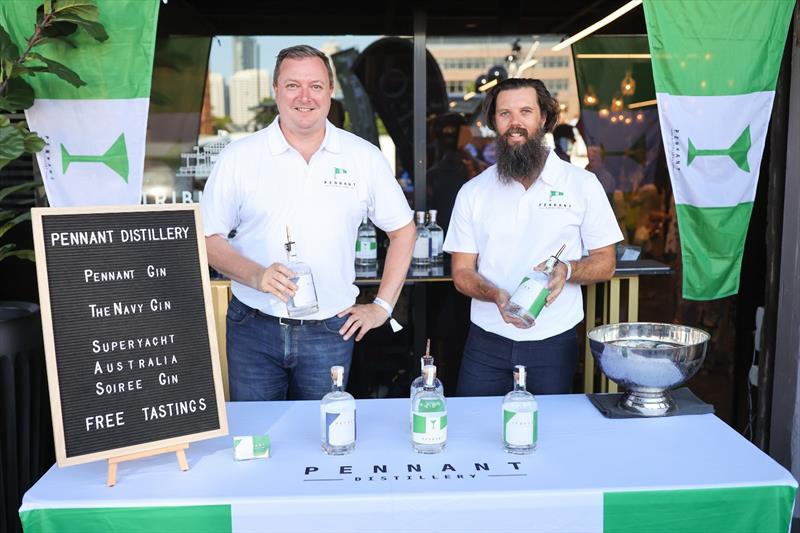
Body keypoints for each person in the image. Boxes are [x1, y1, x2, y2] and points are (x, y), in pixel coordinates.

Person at [201, 45, 415, 401]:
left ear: (330, 91)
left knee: (325, 436)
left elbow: (404, 231)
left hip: (331, 329)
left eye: (315, 86)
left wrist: (382, 307)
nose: (305, 97)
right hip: (253, 325)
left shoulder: (363, 157)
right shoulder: (239, 157)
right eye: (292, 85)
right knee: (257, 438)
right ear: (275, 90)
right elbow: (208, 238)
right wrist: (257, 275)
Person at [443, 78, 623, 396]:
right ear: (494, 123)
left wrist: (568, 270)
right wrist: (494, 295)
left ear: (543, 118)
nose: (515, 123)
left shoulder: (582, 185)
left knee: (548, 437)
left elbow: (605, 263)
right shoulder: (473, 192)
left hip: (553, 342)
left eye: (525, 111)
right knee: (472, 434)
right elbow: (461, 273)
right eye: (504, 114)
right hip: (486, 341)